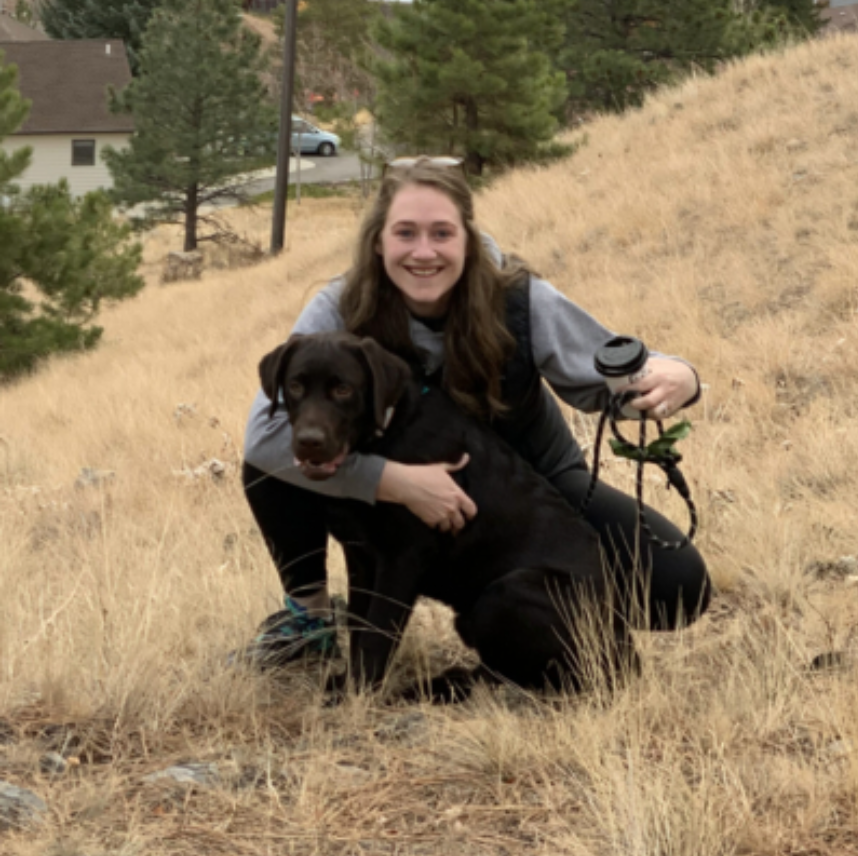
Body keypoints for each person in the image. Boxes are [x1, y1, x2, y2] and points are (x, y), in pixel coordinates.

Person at [240, 156, 711, 668]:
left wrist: (681, 377)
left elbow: (610, 377)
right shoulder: (342, 307)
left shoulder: (518, 298)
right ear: (378, 240)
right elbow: (263, 437)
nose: (424, 252)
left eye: (442, 233)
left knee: (677, 586)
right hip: (402, 490)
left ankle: (551, 632)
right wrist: (390, 481)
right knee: (273, 470)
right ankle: (309, 618)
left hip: (534, 484)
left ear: (466, 237)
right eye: (405, 233)